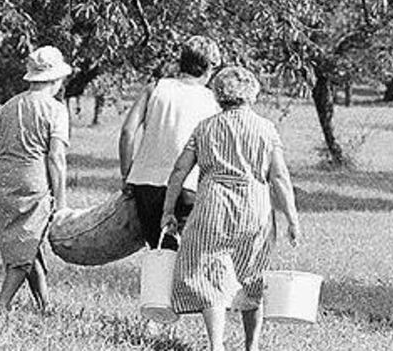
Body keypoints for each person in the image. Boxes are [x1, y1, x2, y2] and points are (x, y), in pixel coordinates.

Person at [160, 66, 301, 351]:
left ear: (218, 94)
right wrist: (292, 219)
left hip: (214, 205)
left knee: (210, 272)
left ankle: (216, 345)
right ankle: (252, 346)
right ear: (252, 93)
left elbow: (178, 171)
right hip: (255, 207)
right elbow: (279, 177)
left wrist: (168, 211)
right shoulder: (266, 129)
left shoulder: (205, 127)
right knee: (253, 273)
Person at [0, 46, 71, 311]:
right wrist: (60, 203)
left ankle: (44, 305)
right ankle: (2, 303)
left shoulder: (8, 106)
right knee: (24, 250)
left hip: (4, 183)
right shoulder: (56, 110)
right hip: (33, 184)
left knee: (26, 243)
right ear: (56, 80)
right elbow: (56, 158)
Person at [119, 35, 221, 251]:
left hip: (146, 183)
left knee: (158, 252)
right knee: (183, 257)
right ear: (208, 68)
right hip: (188, 185)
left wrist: (127, 175)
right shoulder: (212, 100)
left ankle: (156, 286)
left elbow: (128, 132)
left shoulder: (155, 88)